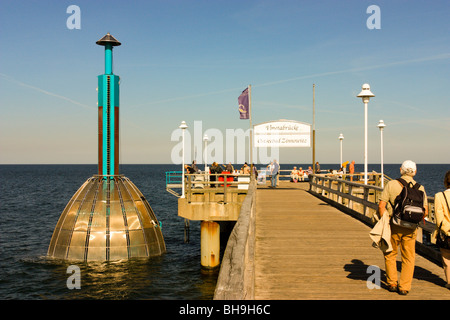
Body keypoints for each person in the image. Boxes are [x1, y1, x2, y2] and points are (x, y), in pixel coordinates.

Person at [377, 160, 428, 295]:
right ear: (415, 172)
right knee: (408, 257)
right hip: (411, 228)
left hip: (394, 225)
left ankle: (392, 283)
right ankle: (404, 287)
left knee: (390, 253)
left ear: (401, 170)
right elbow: (425, 211)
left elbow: (381, 206)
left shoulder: (391, 184)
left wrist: (385, 221)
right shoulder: (420, 188)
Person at [433, 170, 450, 289]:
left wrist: (447, 229)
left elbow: (439, 219)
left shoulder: (440, 196)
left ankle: (449, 282)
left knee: (447, 259)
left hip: (447, 233)